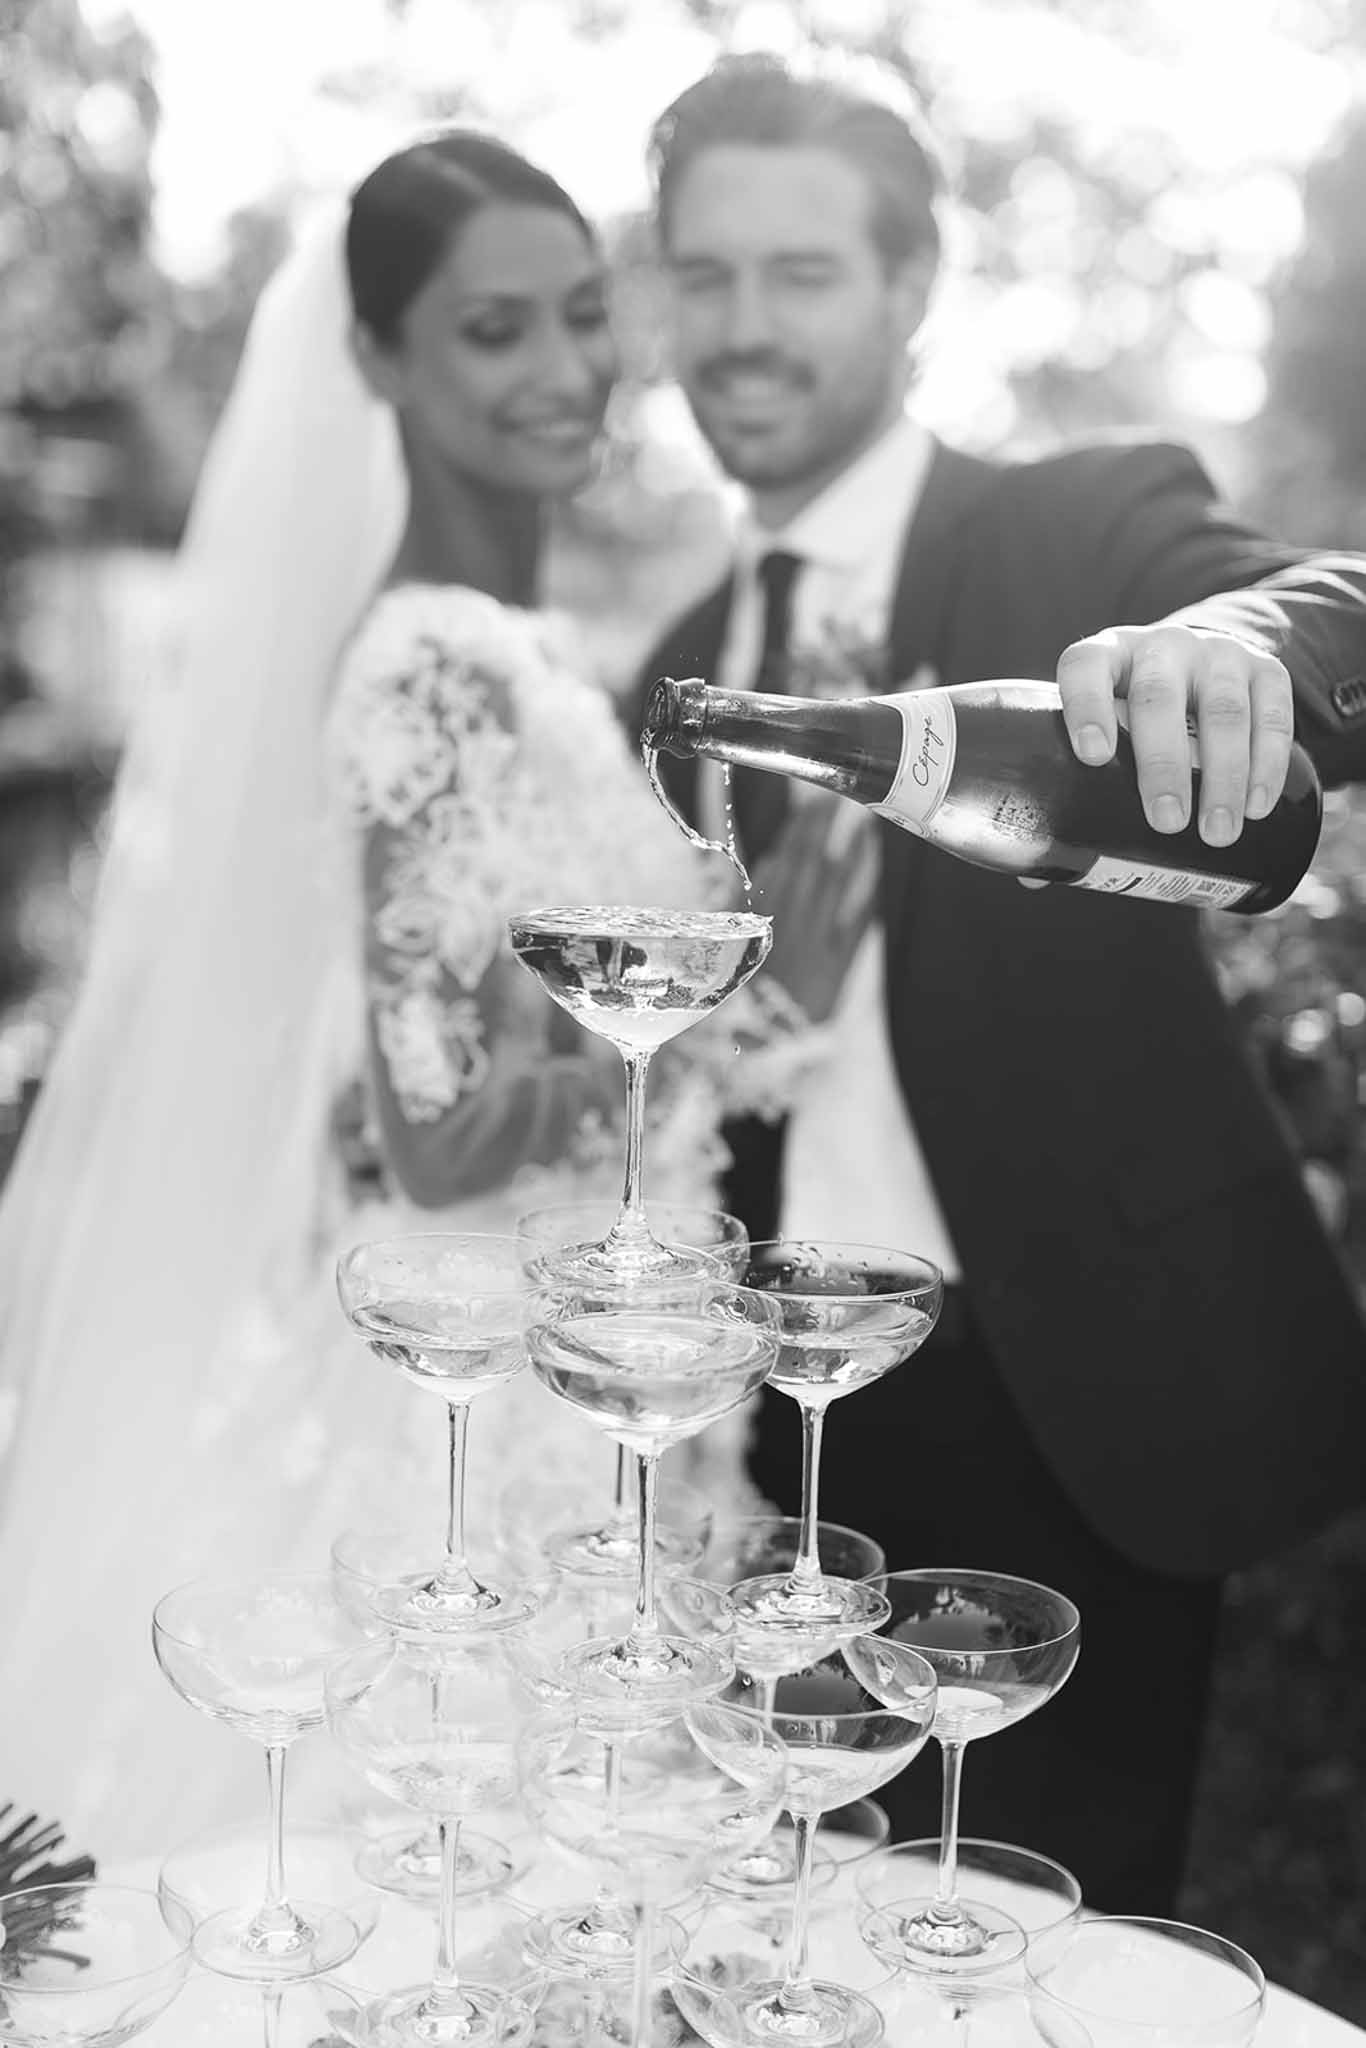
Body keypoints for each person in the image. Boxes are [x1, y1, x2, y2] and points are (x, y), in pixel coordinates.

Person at [0, 129, 797, 1861]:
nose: (566, 367)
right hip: (489, 1407)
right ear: (376, 359)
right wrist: (688, 1035)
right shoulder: (433, 664)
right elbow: (433, 1144)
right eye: (490, 330)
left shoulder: (515, 646)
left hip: (589, 1367)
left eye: (584, 314)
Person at [634, 49, 1366, 1916]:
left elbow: (1321, 600)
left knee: (1056, 1950)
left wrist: (1233, 649)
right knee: (793, 1939)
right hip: (778, 1428)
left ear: (908, 291)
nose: (742, 327)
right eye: (701, 275)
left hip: (1071, 1396)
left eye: (800, 274)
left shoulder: (1069, 530)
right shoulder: (670, 665)